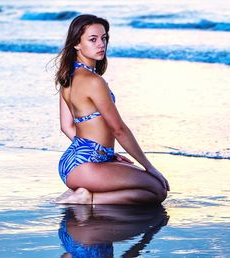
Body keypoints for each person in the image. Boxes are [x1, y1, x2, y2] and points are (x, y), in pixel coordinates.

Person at [55, 14, 170, 205]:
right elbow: (119, 130)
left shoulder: (67, 78)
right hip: (87, 166)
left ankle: (84, 194)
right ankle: (88, 198)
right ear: (77, 43)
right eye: (93, 39)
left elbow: (66, 126)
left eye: (104, 38)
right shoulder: (94, 81)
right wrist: (149, 167)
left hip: (71, 164)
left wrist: (105, 153)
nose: (101, 44)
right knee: (157, 190)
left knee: (151, 187)